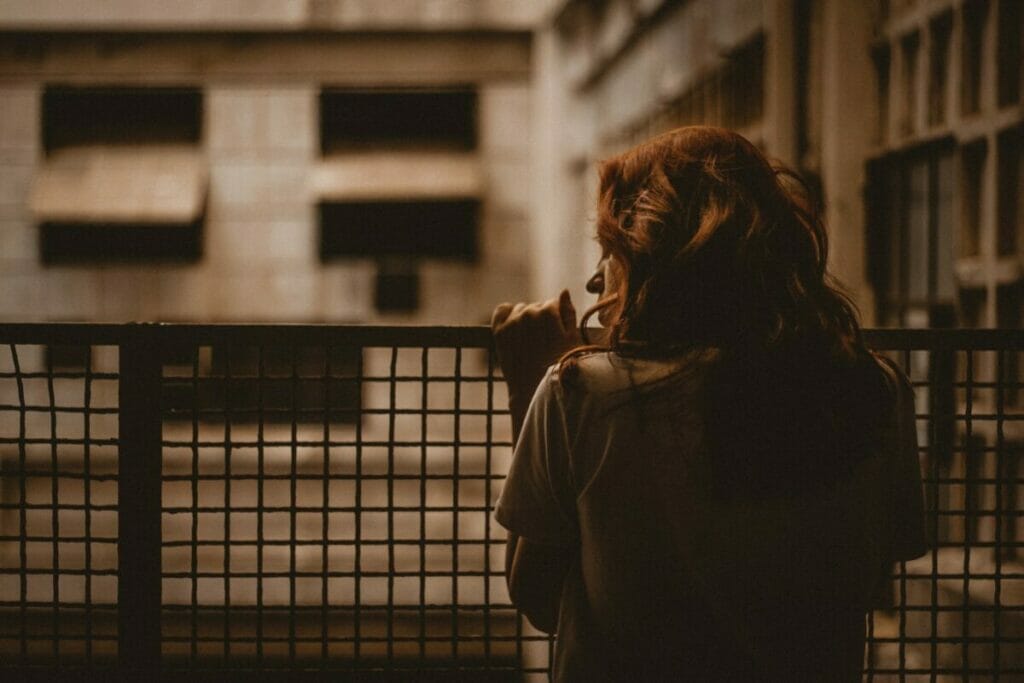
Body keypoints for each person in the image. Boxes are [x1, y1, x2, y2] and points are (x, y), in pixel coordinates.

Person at [490, 126, 927, 681]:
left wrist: (527, 386)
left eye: (611, 249)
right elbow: (873, 576)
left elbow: (534, 596)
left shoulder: (583, 395)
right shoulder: (872, 389)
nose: (597, 277)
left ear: (654, 254)